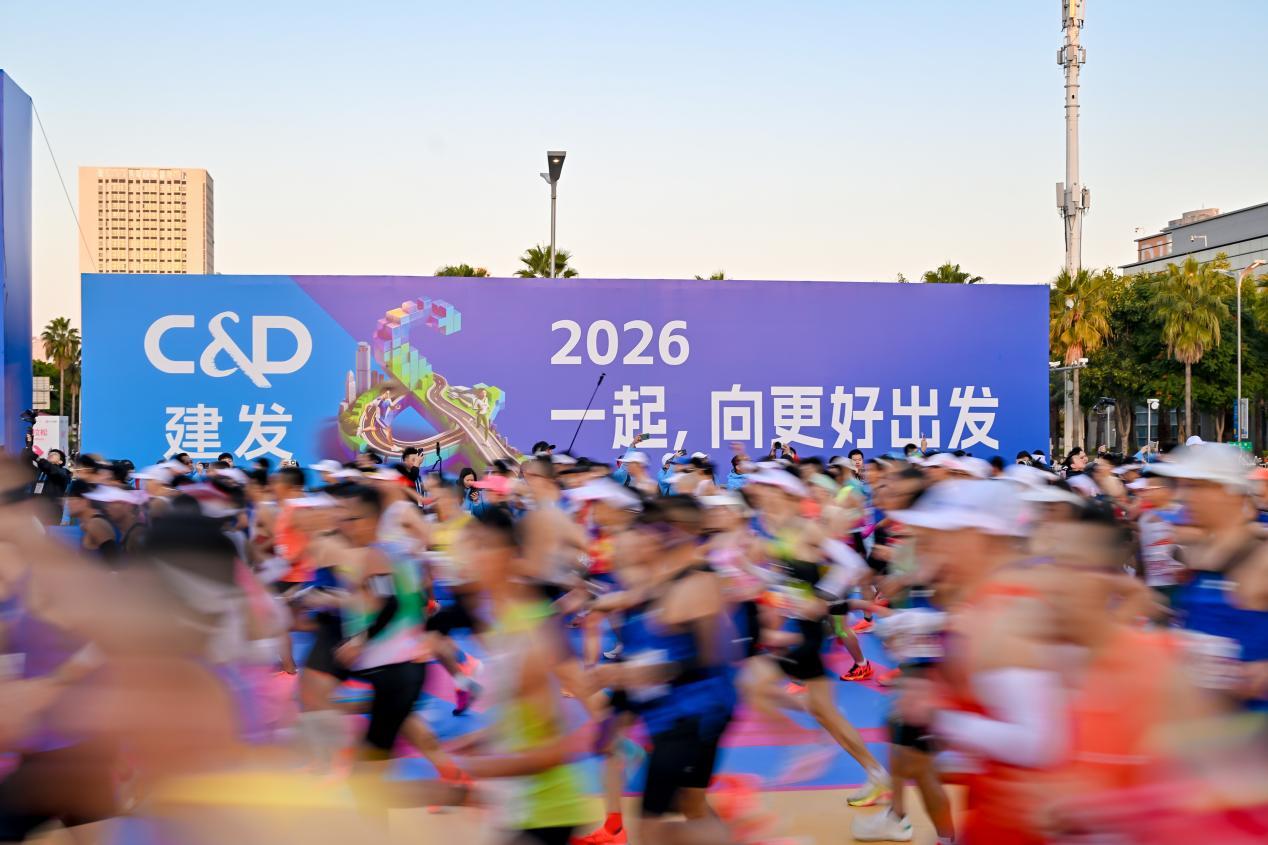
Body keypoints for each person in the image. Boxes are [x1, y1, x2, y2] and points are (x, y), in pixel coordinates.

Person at [894, 480, 1062, 845]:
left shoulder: (1007, 613)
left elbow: (1039, 743)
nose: (929, 554)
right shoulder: (988, 601)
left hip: (1021, 828)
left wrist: (937, 716)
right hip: (996, 815)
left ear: (977, 537)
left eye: (939, 539)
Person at [450, 507, 591, 845]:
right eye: (467, 545)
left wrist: (480, 770)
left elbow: (561, 745)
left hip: (544, 811)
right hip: (517, 808)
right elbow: (523, 709)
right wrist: (487, 737)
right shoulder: (501, 619)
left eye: (482, 545)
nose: (469, 556)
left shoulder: (530, 630)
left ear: (511, 555)